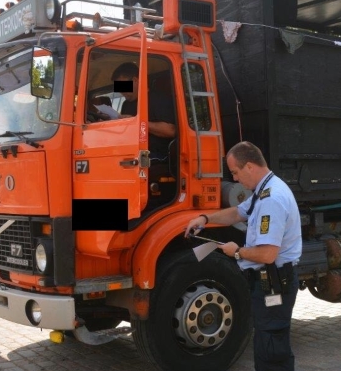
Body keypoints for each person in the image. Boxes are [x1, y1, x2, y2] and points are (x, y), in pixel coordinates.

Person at [185, 141, 302, 371]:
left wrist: (236, 251)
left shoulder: (271, 200)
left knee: (271, 349)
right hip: (271, 280)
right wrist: (206, 219)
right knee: (268, 341)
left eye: (235, 173)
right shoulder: (264, 190)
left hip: (275, 282)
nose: (236, 179)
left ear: (249, 166)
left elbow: (268, 254)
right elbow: (238, 212)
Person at [111, 62, 176, 160]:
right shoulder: (126, 104)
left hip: (156, 156)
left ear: (135, 80)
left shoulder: (159, 99)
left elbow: (170, 130)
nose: (122, 93)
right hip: (131, 152)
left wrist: (138, 122)